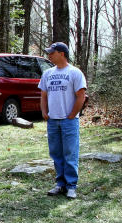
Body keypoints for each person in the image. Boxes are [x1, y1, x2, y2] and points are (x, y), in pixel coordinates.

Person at [39, 42, 87, 199]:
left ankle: (71, 185)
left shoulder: (75, 73)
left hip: (69, 122)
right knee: (56, 153)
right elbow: (44, 95)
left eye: (52, 52)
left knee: (70, 153)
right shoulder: (48, 73)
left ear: (62, 54)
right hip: (53, 121)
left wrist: (72, 115)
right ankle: (60, 184)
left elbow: (81, 96)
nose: (49, 55)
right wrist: (44, 111)